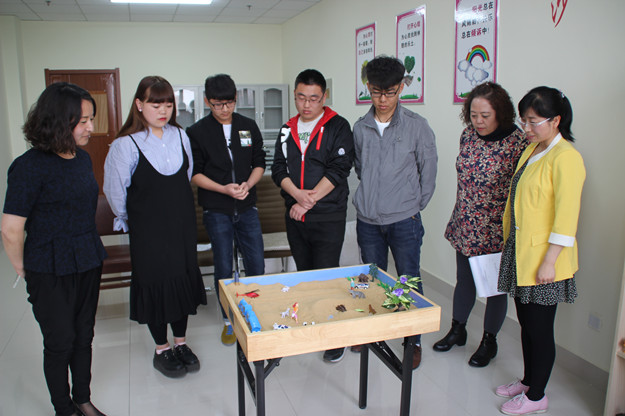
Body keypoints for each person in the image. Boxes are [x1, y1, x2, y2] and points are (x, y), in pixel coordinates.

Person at [1, 82, 107, 416]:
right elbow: (10, 229)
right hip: (47, 264)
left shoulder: (82, 159)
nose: (90, 127)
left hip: (87, 257)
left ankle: (83, 399)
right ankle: (64, 408)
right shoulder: (28, 166)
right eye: (83, 121)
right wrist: (22, 267)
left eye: (91, 119)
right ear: (59, 121)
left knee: (84, 335)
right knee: (60, 340)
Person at [104, 76, 207, 379]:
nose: (163, 110)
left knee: (181, 280)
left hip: (182, 225)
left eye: (168, 104)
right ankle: (162, 348)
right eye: (155, 104)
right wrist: (137, 219)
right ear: (139, 104)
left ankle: (181, 343)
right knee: (156, 284)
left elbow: (186, 174)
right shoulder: (125, 145)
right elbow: (115, 192)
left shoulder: (180, 135)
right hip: (148, 229)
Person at [495, 87, 585, 415]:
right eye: (525, 121)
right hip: (522, 252)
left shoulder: (567, 158)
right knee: (526, 323)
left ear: (556, 120)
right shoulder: (532, 150)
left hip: (546, 261)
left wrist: (550, 261)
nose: (527, 128)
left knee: (540, 329)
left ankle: (537, 397)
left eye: (534, 121)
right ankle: (528, 380)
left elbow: (567, 216)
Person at [352, 55, 437, 369]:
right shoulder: (360, 127)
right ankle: (373, 333)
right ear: (368, 88)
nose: (383, 100)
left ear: (401, 87)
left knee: (407, 280)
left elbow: (429, 172)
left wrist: (412, 204)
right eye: (376, 92)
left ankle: (412, 341)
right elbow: (360, 168)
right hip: (368, 220)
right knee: (372, 278)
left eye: (389, 92)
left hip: (404, 220)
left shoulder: (417, 126)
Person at [434, 82, 527, 367]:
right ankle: (458, 329)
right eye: (473, 115)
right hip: (465, 223)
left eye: (485, 115)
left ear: (500, 112)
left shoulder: (518, 142)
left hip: (495, 229)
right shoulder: (468, 135)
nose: (478, 121)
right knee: (464, 280)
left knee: (494, 289)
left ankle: (489, 341)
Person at [271, 69, 354, 363]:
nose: (307, 105)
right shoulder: (287, 129)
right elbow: (278, 169)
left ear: (324, 97)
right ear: (295, 95)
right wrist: (297, 195)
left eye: (314, 98)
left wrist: (307, 201)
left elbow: (339, 169)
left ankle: (335, 337)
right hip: (296, 217)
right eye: (301, 98)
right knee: (305, 275)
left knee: (326, 275)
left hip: (328, 216)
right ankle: (312, 324)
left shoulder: (338, 126)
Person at [186, 74, 266, 346]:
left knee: (256, 262)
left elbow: (259, 162)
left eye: (229, 103)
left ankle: (256, 312)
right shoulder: (197, 132)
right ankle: (229, 320)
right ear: (207, 101)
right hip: (217, 209)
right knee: (223, 264)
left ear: (236, 99)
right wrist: (224, 189)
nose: (224, 109)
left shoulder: (247, 126)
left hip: (247, 206)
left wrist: (248, 185)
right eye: (218, 104)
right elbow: (194, 173)